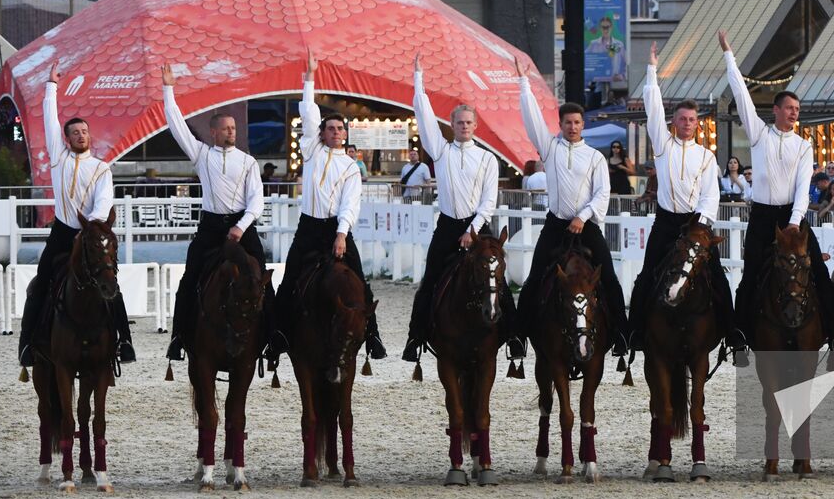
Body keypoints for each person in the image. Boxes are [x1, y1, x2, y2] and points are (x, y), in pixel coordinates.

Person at [720, 30, 834, 351]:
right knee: (750, 277)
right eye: (790, 108)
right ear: (776, 110)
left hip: (794, 217)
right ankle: (741, 337)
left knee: (817, 269)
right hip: (763, 217)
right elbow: (742, 95)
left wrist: (796, 219)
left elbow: (804, 185)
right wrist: (729, 57)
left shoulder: (804, 146)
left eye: (797, 110)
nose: (794, 113)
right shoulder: (759, 134)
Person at [267, 52, 386, 361]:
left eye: (340, 129)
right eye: (330, 128)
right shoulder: (312, 151)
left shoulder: (350, 167)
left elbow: (350, 203)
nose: (335, 133)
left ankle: (372, 335)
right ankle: (278, 336)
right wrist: (309, 79)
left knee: (359, 279)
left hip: (336, 228)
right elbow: (307, 113)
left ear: (346, 135)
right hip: (309, 226)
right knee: (290, 277)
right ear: (322, 133)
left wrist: (342, 234)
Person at [17, 63, 134, 367]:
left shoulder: (101, 168)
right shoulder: (59, 158)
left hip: (92, 234)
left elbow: (104, 201)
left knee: (110, 283)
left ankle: (125, 342)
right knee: (41, 281)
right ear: (67, 138)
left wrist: (91, 228)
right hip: (63, 232)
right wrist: (51, 86)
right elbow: (48, 119)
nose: (81, 136)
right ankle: (27, 343)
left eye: (85, 132)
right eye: (76, 133)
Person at [626, 43, 740, 353]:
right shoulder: (663, 145)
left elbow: (710, 195)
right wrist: (651, 69)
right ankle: (632, 336)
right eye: (682, 119)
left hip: (696, 225)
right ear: (674, 122)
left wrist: (701, 225)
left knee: (718, 277)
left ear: (697, 123)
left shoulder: (706, 156)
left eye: (691, 119)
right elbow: (652, 106)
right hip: (666, 222)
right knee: (647, 275)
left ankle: (732, 338)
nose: (687, 123)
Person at [513, 58, 628, 359]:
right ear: (560, 125)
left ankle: (622, 336)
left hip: (586, 226)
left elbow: (603, 192)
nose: (573, 127)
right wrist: (523, 84)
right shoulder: (550, 148)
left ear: (583, 124)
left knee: (610, 279)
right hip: (556, 225)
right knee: (535, 277)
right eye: (567, 123)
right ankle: (518, 337)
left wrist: (583, 216)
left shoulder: (594, 157)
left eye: (577, 122)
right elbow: (532, 121)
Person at [402, 55, 513, 362]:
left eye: (468, 122)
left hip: (478, 226)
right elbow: (423, 117)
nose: (464, 126)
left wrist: (473, 231)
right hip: (448, 225)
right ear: (451, 125)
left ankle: (513, 337)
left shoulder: (488, 159)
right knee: (430, 280)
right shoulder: (441, 151)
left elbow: (489, 201)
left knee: (499, 280)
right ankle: (416, 337)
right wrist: (419, 81)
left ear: (475, 126)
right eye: (459, 122)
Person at [161, 62, 271, 362]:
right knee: (189, 279)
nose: (231, 132)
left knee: (262, 278)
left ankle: (272, 339)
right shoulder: (201, 154)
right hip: (210, 228)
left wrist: (242, 226)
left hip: (242, 227)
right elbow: (176, 125)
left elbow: (256, 201)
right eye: (225, 128)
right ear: (213, 131)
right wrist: (168, 89)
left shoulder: (248, 162)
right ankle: (179, 337)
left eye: (233, 128)